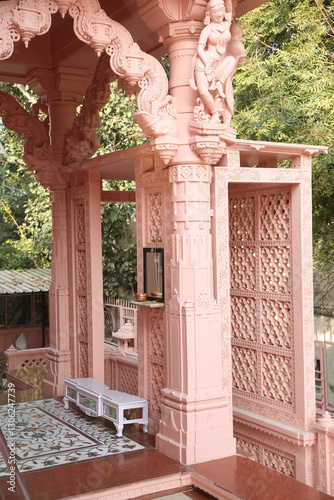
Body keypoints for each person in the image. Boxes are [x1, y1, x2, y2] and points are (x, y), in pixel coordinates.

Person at [190, 0, 232, 123]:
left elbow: (229, 10)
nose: (219, 14)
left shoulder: (226, 25)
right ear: (209, 14)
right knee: (203, 91)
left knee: (230, 60)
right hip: (204, 62)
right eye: (215, 11)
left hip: (217, 64)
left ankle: (220, 83)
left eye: (221, 10)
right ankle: (214, 112)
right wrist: (207, 63)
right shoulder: (207, 30)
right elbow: (199, 48)